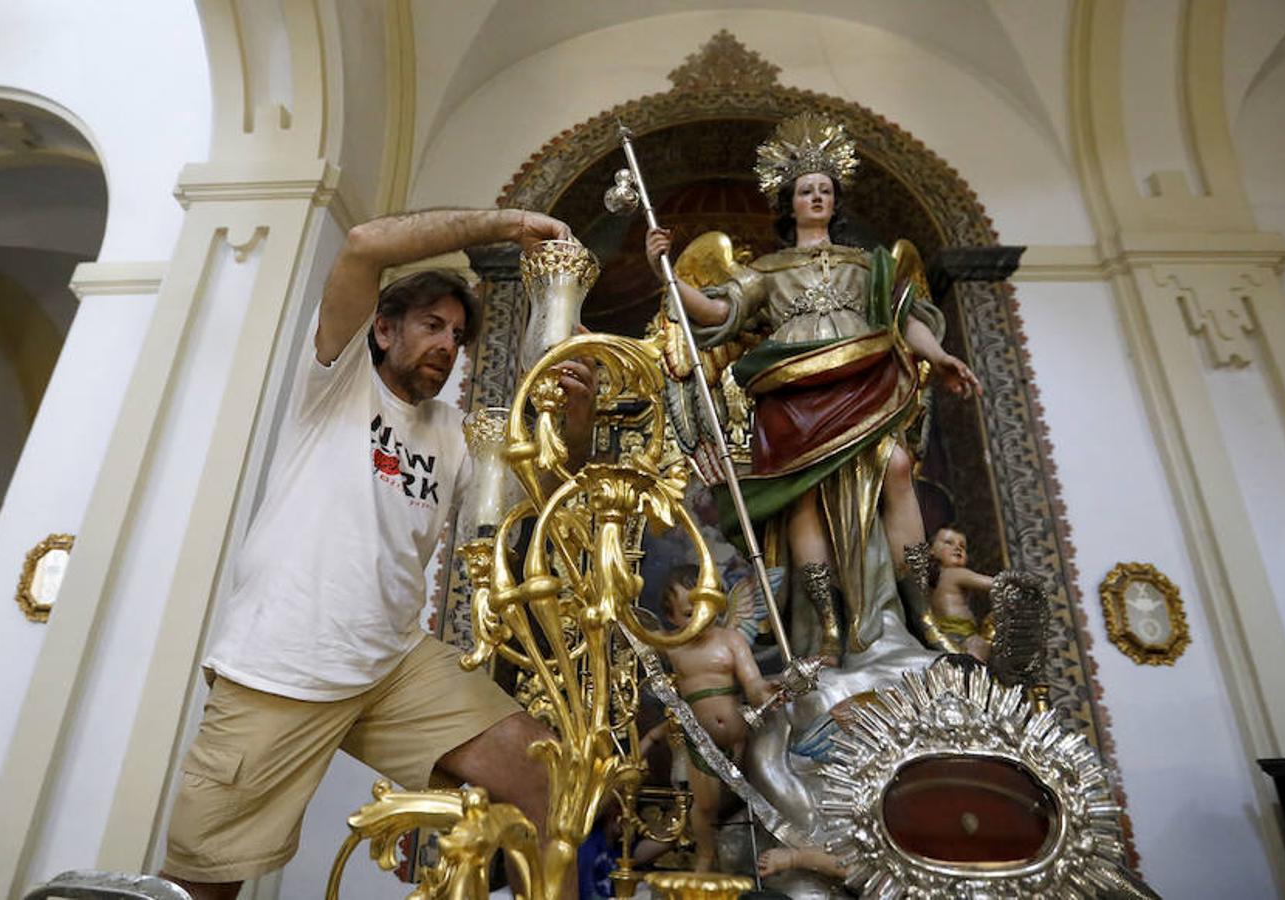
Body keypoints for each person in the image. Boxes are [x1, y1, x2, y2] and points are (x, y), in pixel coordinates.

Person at [162, 209, 593, 900]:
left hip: (393, 662)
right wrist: (506, 225)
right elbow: (363, 245)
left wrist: (575, 422)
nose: (448, 345)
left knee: (547, 775)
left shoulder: (452, 432)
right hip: (285, 663)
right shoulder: (337, 381)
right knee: (203, 884)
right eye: (431, 325)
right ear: (385, 330)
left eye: (457, 335)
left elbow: (532, 495)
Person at [645, 112, 982, 665]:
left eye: (826, 189)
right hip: (794, 402)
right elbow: (714, 311)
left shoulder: (866, 263)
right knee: (802, 503)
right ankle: (826, 628)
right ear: (790, 202)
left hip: (865, 388)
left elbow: (906, 319)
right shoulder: (769, 271)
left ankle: (920, 613)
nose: (817, 197)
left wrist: (940, 356)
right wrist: (667, 275)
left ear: (835, 200)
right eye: (807, 190)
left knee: (898, 467)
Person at [650, 564, 775, 872]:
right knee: (704, 806)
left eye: (707, 608)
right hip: (700, 742)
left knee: (761, 794)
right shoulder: (673, 646)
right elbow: (636, 632)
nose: (701, 618)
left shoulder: (731, 640)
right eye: (689, 612)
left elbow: (753, 684)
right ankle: (706, 856)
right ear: (673, 617)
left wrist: (767, 690)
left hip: (741, 739)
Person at [927, 526, 996, 661]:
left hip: (944, 634)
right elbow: (992, 584)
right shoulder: (956, 573)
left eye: (962, 546)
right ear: (931, 550)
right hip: (963, 633)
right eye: (949, 543)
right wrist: (1012, 581)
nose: (958, 548)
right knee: (979, 652)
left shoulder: (931, 581)